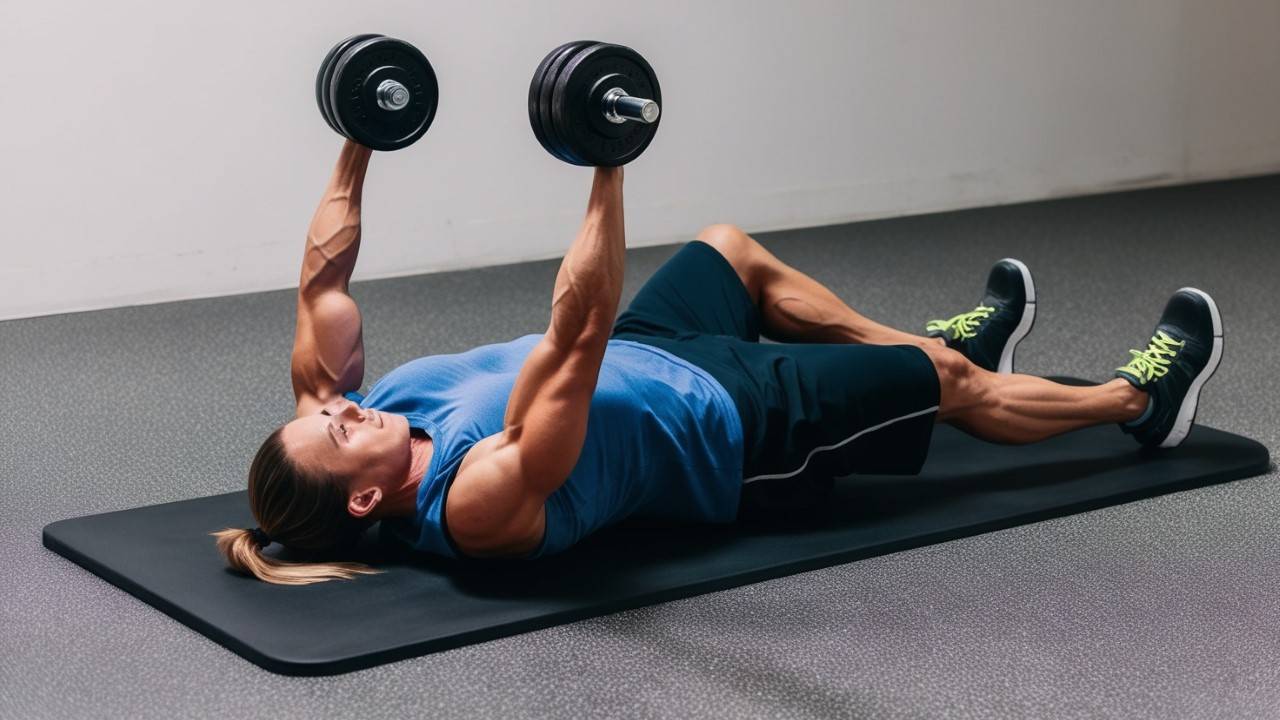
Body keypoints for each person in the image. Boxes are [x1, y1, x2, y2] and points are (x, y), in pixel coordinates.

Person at [213, 141, 1223, 585]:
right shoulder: (472, 507)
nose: (344, 409)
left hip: (651, 353)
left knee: (729, 247)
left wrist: (358, 142)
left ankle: (925, 347)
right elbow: (573, 338)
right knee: (949, 392)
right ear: (359, 503)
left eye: (331, 409)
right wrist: (605, 167)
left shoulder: (359, 419)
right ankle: (1138, 402)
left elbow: (321, 284)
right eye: (339, 430)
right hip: (738, 429)